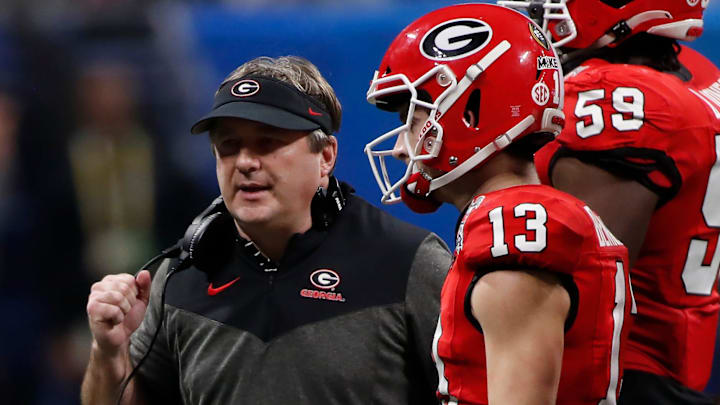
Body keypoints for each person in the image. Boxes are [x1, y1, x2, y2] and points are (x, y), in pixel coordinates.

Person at [80, 55, 452, 404]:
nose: (244, 162)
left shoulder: (407, 264)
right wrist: (108, 351)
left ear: (325, 157)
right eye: (229, 146)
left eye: (268, 143)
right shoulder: (181, 275)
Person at [364, 4, 634, 404]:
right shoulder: (527, 215)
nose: (403, 147)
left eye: (414, 115)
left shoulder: (513, 229)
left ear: (471, 108)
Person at [497, 0, 720, 403]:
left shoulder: (614, 97)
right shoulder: (693, 73)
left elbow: (586, 285)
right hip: (676, 357)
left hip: (618, 375)